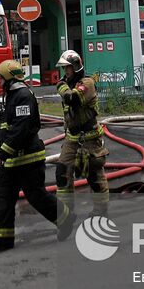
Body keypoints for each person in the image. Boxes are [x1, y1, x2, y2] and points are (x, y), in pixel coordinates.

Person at [0, 59, 72, 251]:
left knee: (36, 195)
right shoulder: (12, 96)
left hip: (27, 159)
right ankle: (2, 239)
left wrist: (2, 152)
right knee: (3, 196)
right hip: (12, 160)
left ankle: (65, 218)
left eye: (0, 79)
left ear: (9, 78)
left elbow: (21, 129)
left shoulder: (23, 96)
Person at [54, 49, 109, 219]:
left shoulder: (88, 83)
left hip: (90, 139)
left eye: (68, 68)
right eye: (64, 68)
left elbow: (73, 99)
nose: (65, 72)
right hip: (72, 138)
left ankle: (101, 212)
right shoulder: (69, 84)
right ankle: (66, 214)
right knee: (62, 173)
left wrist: (61, 87)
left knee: (94, 175)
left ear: (76, 66)